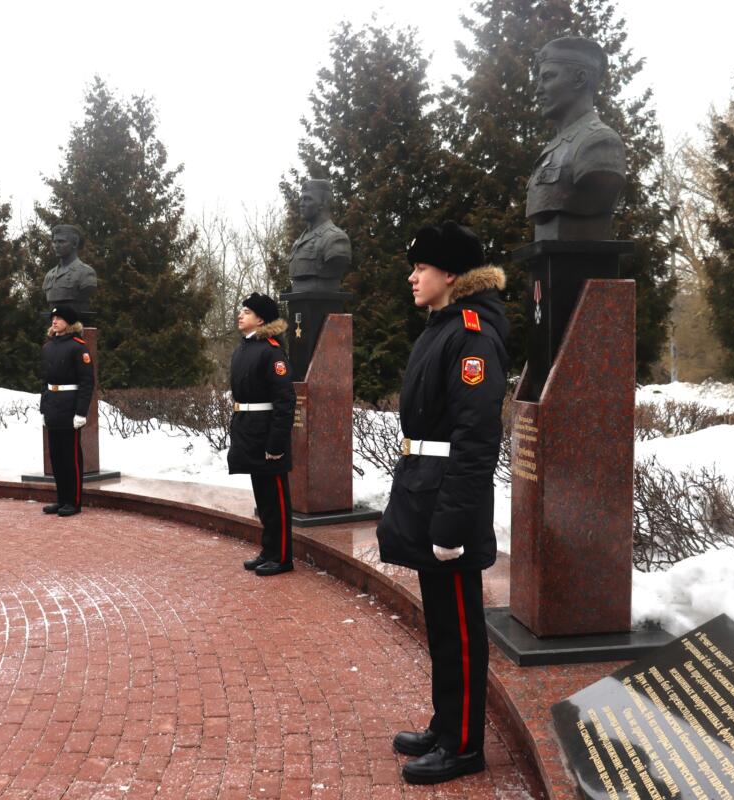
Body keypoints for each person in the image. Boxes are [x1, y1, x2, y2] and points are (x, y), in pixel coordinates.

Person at [376, 222, 509, 785]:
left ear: (450, 275)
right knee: (441, 626)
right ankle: (444, 724)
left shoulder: (472, 334)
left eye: (421, 268)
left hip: (447, 500)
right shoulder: (444, 326)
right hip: (425, 487)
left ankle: (462, 746)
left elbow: (477, 439)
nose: (412, 277)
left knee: (458, 627)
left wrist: (451, 522)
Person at [525, 36, 626, 241]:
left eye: (548, 77)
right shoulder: (555, 148)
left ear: (580, 79)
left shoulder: (599, 142)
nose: (538, 90)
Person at [227, 293, 296, 576]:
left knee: (276, 498)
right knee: (263, 498)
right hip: (249, 430)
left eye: (247, 311)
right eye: (241, 310)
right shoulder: (245, 348)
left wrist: (276, 443)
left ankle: (281, 556)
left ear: (261, 318)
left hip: (267, 433)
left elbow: (284, 400)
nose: (240, 315)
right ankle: (268, 550)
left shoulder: (271, 350)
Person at [40, 306, 94, 517]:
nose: (54, 321)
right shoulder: (48, 347)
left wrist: (81, 412)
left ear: (69, 322)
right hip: (53, 405)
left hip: (70, 406)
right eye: (53, 318)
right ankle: (62, 499)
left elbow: (87, 382)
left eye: (59, 318)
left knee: (70, 457)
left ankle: (74, 501)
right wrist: (43, 408)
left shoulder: (78, 347)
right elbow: (44, 381)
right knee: (56, 457)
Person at [287, 179, 352, 293]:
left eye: (307, 199)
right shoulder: (297, 243)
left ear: (323, 203)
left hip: (322, 302)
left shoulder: (335, 238)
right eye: (301, 199)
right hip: (298, 301)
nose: (301, 204)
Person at [42, 224, 98, 315]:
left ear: (75, 243)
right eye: (54, 242)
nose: (56, 246)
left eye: (61, 241)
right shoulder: (49, 276)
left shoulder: (86, 273)